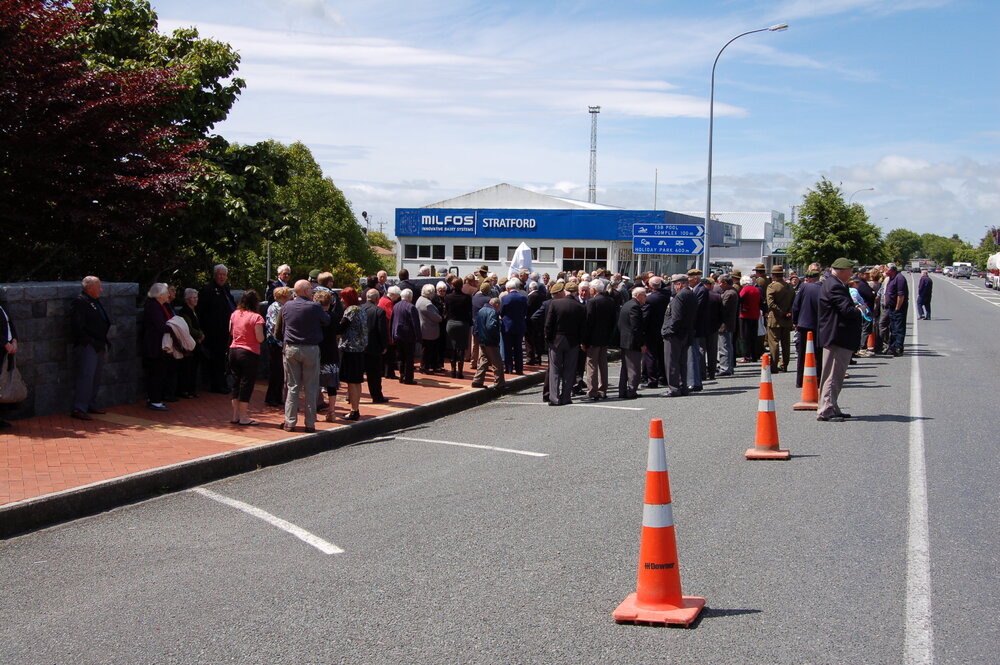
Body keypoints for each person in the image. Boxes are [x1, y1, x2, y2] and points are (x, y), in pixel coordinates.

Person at [279, 279, 331, 433]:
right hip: (310, 348)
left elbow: (282, 326)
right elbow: (326, 321)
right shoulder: (314, 306)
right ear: (306, 291)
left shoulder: (287, 305)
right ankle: (309, 423)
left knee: (292, 386)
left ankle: (290, 422)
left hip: (291, 347)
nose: (312, 291)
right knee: (311, 387)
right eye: (310, 289)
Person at [816, 258, 862, 422]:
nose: (852, 273)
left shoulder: (832, 283)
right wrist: (859, 310)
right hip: (837, 335)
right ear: (842, 270)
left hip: (836, 334)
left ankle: (832, 406)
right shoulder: (835, 285)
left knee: (834, 374)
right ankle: (826, 408)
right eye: (850, 270)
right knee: (833, 375)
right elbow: (846, 310)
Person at [69, 275, 112, 421]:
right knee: (86, 376)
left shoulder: (95, 301)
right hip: (88, 345)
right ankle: (79, 408)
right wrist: (87, 342)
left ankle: (90, 404)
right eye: (98, 286)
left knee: (96, 377)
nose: (101, 289)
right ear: (89, 287)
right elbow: (76, 325)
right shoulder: (80, 302)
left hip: (99, 344)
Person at [544, 281, 586, 406]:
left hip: (556, 340)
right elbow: (583, 327)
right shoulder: (580, 307)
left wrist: (548, 339)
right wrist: (581, 341)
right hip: (572, 342)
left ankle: (554, 397)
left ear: (565, 291)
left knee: (555, 370)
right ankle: (566, 397)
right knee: (570, 370)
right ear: (576, 292)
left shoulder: (555, 303)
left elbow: (548, 324)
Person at [197, 264, 236, 393]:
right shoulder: (207, 290)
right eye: (219, 274)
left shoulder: (225, 288)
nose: (222, 277)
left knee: (223, 359)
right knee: (216, 359)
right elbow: (200, 311)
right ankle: (217, 385)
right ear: (214, 275)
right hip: (213, 332)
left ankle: (223, 383)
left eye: (224, 275)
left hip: (226, 331)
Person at [228, 289, 265, 426]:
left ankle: (235, 415)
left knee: (235, 383)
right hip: (249, 353)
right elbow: (259, 338)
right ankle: (244, 417)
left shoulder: (234, 314)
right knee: (246, 384)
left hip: (234, 350)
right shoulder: (257, 318)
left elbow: (231, 332)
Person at [661, 274, 697, 397]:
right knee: (682, 362)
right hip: (685, 333)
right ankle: (682, 386)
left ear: (680, 284)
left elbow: (676, 317)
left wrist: (669, 331)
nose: (674, 287)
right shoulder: (691, 294)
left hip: (675, 334)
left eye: (675, 284)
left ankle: (674, 388)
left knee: (671, 362)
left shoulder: (680, 296)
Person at [336, 287, 368, 421]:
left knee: (351, 381)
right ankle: (355, 408)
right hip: (360, 348)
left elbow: (340, 328)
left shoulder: (351, 310)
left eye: (343, 297)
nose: (342, 300)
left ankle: (354, 410)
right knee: (357, 380)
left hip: (350, 349)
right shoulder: (361, 309)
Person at [141, 283, 174, 411]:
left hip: (158, 345)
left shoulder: (161, 306)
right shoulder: (154, 307)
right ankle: (154, 400)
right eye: (166, 292)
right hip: (154, 346)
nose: (168, 295)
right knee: (156, 373)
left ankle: (154, 398)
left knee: (159, 372)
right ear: (160, 295)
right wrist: (173, 327)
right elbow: (160, 326)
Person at [582, 279, 616, 400]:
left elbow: (588, 322)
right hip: (605, 337)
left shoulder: (592, 302)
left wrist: (584, 340)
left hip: (593, 339)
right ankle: (603, 389)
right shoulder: (610, 301)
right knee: (603, 364)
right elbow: (613, 321)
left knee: (591, 364)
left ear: (594, 289)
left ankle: (592, 390)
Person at [791, 269, 824, 389]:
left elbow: (796, 305)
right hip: (819, 325)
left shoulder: (804, 288)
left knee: (802, 354)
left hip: (804, 324)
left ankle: (800, 380)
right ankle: (818, 379)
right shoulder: (823, 288)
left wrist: (795, 321)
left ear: (809, 279)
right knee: (818, 353)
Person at [313, 289, 341, 421]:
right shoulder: (334, 316)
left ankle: (313, 411)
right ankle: (331, 411)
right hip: (331, 351)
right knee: (331, 385)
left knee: (313, 383)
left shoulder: (315, 317)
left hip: (317, 351)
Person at [263, 286, 292, 407]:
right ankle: (271, 397)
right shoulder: (275, 307)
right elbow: (275, 325)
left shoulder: (282, 307)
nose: (290, 298)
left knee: (280, 371)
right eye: (288, 296)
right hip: (275, 343)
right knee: (276, 370)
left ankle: (277, 396)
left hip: (280, 342)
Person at [617, 286, 646, 400]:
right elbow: (636, 328)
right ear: (638, 296)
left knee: (625, 368)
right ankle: (632, 390)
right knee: (634, 367)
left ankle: (622, 391)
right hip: (632, 342)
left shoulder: (627, 304)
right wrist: (641, 343)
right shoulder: (635, 307)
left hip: (624, 340)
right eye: (644, 295)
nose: (645, 298)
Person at [361, 289, 389, 403]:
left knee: (357, 374)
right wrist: (384, 346)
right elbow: (382, 331)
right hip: (374, 347)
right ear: (377, 299)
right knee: (374, 375)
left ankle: (351, 396)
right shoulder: (379, 311)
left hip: (359, 347)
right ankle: (377, 396)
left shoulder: (359, 309)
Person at [471, 297, 506, 390]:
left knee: (483, 360)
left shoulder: (481, 310)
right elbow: (491, 326)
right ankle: (499, 384)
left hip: (482, 339)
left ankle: (477, 380)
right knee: (497, 363)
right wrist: (495, 336)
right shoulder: (493, 312)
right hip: (490, 341)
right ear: (497, 305)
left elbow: (477, 326)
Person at [765, 265, 795, 373]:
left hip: (775, 319)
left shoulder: (772, 287)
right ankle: (784, 365)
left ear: (773, 275)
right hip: (787, 319)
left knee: (774, 343)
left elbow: (771, 303)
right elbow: (793, 302)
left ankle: (774, 365)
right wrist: (788, 312)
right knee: (786, 344)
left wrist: (781, 312)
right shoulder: (789, 287)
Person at [177, 288, 205, 399]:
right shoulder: (184, 312)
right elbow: (188, 328)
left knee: (194, 368)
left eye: (196, 297)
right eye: (192, 298)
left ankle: (191, 390)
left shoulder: (194, 311)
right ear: (187, 299)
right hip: (189, 343)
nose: (195, 300)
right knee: (187, 368)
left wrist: (201, 334)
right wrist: (199, 335)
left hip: (196, 343)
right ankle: (184, 390)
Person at [444, 281, 473, 378]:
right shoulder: (467, 297)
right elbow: (469, 312)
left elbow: (446, 311)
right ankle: (460, 371)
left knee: (453, 348)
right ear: (461, 286)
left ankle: (453, 370)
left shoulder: (447, 297)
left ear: (452, 285)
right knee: (461, 348)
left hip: (451, 323)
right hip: (463, 324)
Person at [391, 288, 421, 385]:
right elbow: (415, 323)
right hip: (408, 336)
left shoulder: (396, 306)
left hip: (397, 335)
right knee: (409, 358)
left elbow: (392, 321)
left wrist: (392, 335)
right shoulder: (411, 307)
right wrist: (419, 337)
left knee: (400, 357)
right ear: (410, 297)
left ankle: (402, 375)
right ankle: (408, 378)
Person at [500, 278, 528, 375]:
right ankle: (519, 369)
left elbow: (502, 312)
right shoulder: (523, 298)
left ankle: (509, 368)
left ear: (508, 288)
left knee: (508, 348)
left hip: (507, 325)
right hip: (519, 325)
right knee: (518, 348)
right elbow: (525, 311)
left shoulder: (505, 298)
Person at [416, 284, 442, 374]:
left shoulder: (419, 300)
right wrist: (441, 317)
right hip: (429, 330)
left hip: (424, 328)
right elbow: (436, 317)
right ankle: (424, 367)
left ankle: (427, 366)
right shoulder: (427, 304)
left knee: (426, 349)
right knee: (427, 350)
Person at [0, 301, 19, 428]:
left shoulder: (2, 306)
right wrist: (5, 343)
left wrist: (15, 341)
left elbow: (9, 324)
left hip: (6, 350)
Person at [884, 262, 909, 356]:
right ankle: (892, 347)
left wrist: (897, 308)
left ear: (891, 269)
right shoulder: (891, 278)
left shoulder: (900, 278)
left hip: (898, 308)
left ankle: (898, 347)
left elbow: (900, 295)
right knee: (893, 328)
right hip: (891, 307)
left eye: (886, 269)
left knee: (899, 328)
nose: (885, 270)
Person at [716, 275, 739, 376]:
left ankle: (725, 368)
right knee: (727, 346)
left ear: (725, 282)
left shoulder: (729, 293)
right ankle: (728, 367)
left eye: (720, 282)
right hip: (728, 323)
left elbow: (722, 308)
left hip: (725, 324)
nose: (719, 285)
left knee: (724, 347)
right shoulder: (731, 292)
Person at [738, 275, 761, 363]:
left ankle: (746, 356)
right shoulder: (756, 290)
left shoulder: (745, 289)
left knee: (745, 337)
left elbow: (740, 298)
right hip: (755, 315)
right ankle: (754, 356)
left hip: (745, 315)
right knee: (753, 336)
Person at [378, 287, 398, 379]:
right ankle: (389, 373)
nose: (397, 299)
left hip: (383, 329)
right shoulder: (388, 302)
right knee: (390, 353)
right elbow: (391, 315)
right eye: (397, 296)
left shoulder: (382, 299)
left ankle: (383, 371)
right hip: (387, 330)